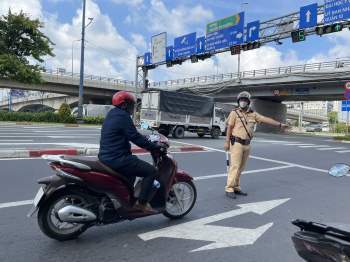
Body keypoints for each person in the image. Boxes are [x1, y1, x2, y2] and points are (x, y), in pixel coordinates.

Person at [98, 91, 162, 212]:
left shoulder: (111, 114)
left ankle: (125, 200)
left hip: (105, 157)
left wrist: (147, 139)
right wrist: (154, 147)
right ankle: (142, 203)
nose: (133, 108)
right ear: (124, 105)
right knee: (151, 171)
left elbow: (132, 133)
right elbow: (135, 137)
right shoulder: (123, 116)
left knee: (132, 171)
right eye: (131, 105)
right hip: (117, 158)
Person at [224, 91, 288, 199]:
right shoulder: (234, 113)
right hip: (237, 143)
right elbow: (229, 128)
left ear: (248, 102)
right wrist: (226, 142)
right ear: (238, 101)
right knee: (234, 166)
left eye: (244, 100)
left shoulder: (253, 114)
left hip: (247, 145)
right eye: (241, 100)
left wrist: (280, 125)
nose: (242, 102)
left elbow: (266, 119)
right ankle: (229, 188)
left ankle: (236, 186)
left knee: (241, 168)